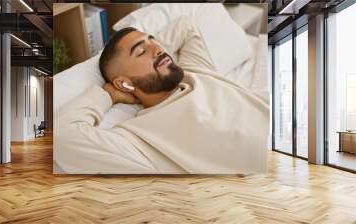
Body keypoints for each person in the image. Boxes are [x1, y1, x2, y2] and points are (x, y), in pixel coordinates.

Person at [54, 17, 269, 174]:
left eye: (153, 41)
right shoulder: (141, 139)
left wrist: (152, 49)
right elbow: (63, 138)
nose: (158, 48)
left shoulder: (195, 72)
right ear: (124, 82)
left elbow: (186, 26)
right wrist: (109, 95)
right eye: (140, 51)